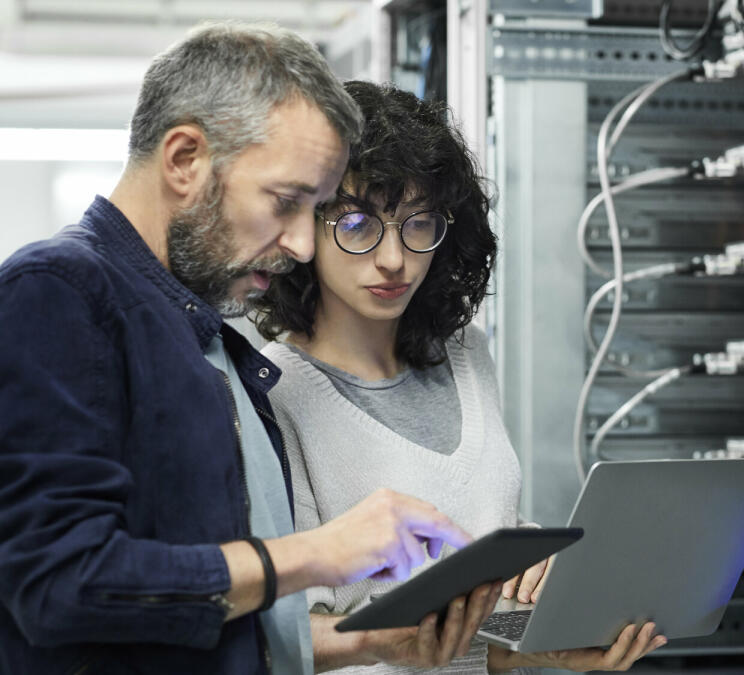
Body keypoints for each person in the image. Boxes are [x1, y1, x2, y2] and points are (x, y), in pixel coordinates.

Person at [0, 23, 491, 675]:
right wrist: (318, 553)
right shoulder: (60, 290)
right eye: (286, 202)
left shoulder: (204, 337)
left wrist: (377, 641)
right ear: (183, 160)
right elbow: (60, 584)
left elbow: (209, 627)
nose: (303, 247)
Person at [252, 81, 668, 673]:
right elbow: (281, 638)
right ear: (303, 231)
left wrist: (541, 629)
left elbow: (483, 597)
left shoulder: (467, 355)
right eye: (357, 224)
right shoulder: (276, 394)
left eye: (417, 224)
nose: (393, 258)